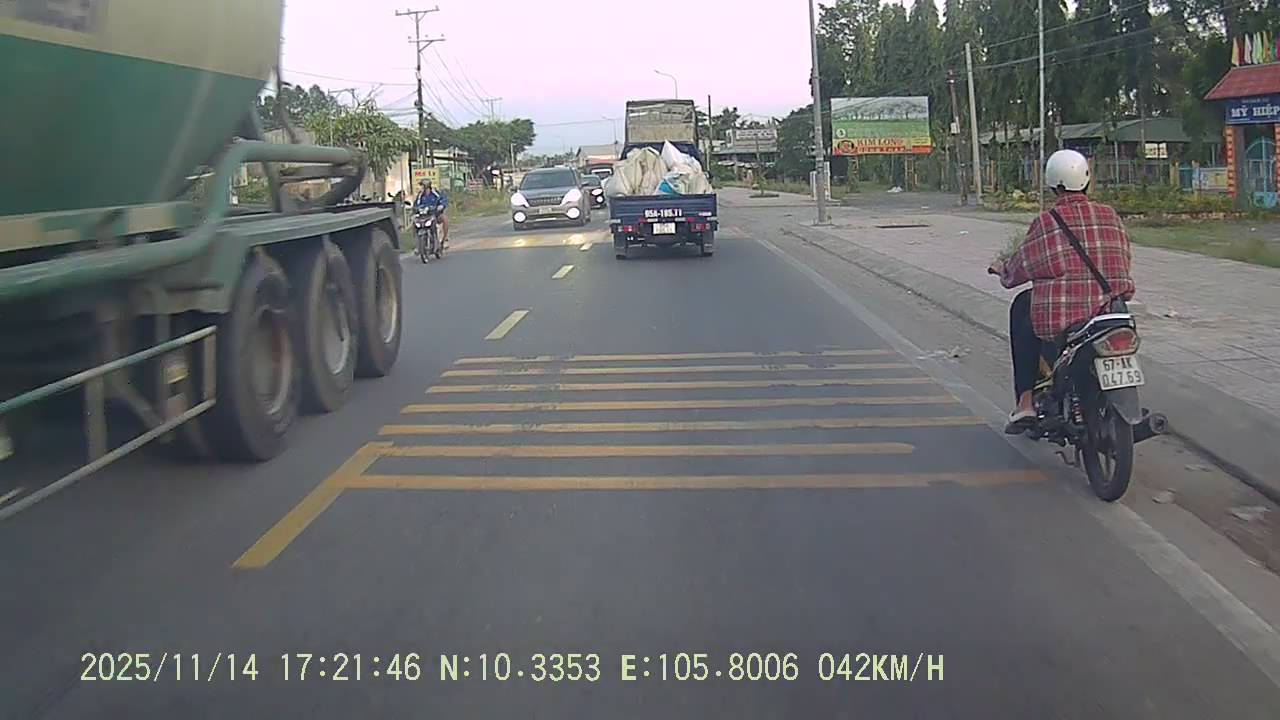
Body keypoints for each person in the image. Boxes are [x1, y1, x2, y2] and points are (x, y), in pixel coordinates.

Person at [988, 149, 1136, 434]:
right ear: (1087, 180)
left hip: (1067, 320)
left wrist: (1002, 270)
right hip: (1112, 312)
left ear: (1052, 184)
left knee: (1023, 305)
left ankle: (1025, 402)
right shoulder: (1110, 215)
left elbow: (1020, 269)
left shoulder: (1048, 222)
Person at [414, 179, 449, 244]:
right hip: (423, 216)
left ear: (426, 186)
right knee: (414, 222)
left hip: (435, 215)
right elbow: (416, 204)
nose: (421, 187)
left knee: (445, 219)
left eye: (422, 186)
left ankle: (445, 239)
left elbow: (443, 200)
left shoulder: (435, 193)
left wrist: (441, 206)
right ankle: (417, 243)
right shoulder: (420, 195)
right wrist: (416, 209)